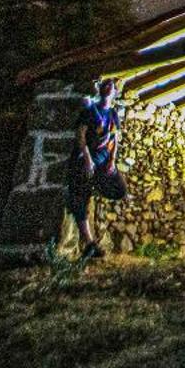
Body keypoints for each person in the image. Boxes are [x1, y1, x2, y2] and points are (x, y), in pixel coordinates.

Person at [68, 75, 121, 259]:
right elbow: (81, 135)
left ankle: (94, 189)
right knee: (79, 195)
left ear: (115, 93)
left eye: (111, 86)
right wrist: (88, 159)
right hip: (87, 159)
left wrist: (112, 160)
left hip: (103, 159)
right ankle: (89, 243)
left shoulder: (113, 114)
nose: (108, 88)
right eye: (106, 85)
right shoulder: (90, 109)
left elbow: (115, 139)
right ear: (100, 89)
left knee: (118, 190)